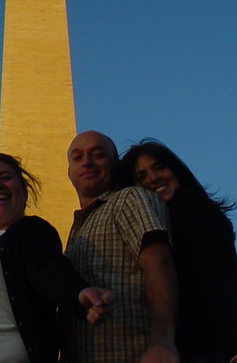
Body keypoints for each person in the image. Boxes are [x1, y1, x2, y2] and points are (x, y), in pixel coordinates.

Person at [0, 152, 113, 363]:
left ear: (24, 192)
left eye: (5, 177)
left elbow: (46, 266)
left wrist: (77, 293)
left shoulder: (30, 231)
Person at [120, 140, 237, 363]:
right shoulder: (166, 219)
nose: (153, 178)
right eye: (141, 177)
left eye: (159, 168)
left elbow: (216, 282)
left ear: (176, 170)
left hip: (206, 349)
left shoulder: (191, 208)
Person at [64, 130, 179, 363]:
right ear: (69, 172)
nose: (87, 162)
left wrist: (162, 342)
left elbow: (160, 261)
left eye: (97, 154)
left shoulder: (129, 199)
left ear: (115, 165)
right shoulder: (78, 230)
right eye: (77, 157)